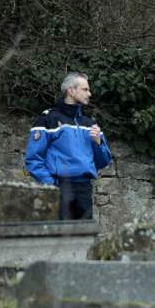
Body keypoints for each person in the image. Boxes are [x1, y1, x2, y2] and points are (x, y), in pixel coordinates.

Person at [25, 72, 112, 220]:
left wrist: (98, 143)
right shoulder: (48, 119)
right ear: (70, 91)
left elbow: (104, 161)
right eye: (85, 89)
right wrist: (51, 185)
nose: (89, 94)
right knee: (61, 239)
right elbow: (33, 159)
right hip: (59, 187)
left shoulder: (90, 124)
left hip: (84, 188)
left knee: (83, 240)